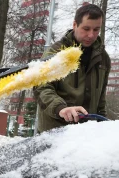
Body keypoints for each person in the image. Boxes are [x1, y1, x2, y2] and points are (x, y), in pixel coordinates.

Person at [34, 3, 111, 133]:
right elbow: (42, 88)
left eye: (96, 29)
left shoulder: (103, 58)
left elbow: (101, 100)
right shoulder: (56, 52)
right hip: (55, 132)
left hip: (86, 135)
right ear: (75, 25)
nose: (91, 35)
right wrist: (60, 108)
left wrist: (102, 125)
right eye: (86, 29)